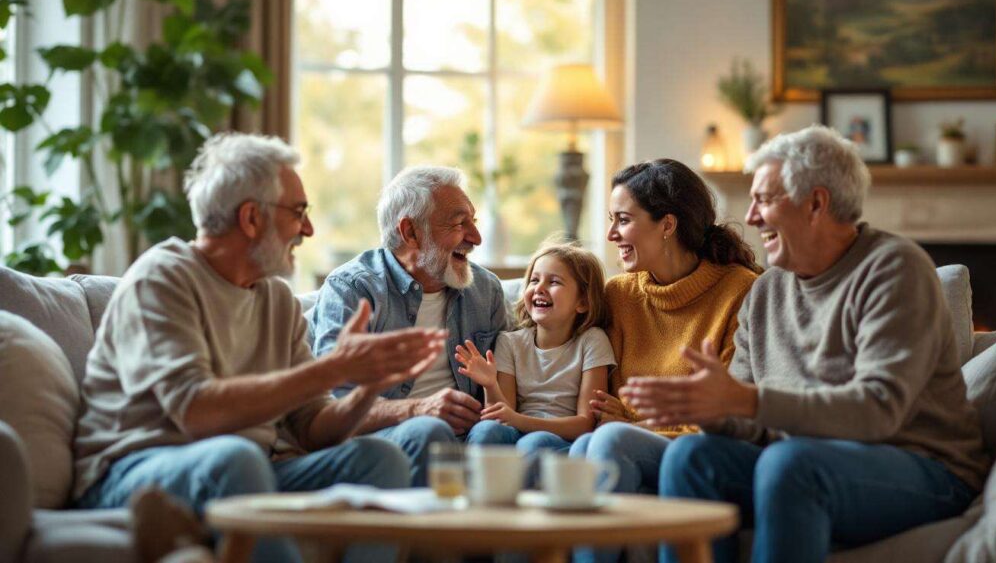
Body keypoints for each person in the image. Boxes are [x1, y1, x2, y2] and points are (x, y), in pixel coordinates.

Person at [620, 125, 990, 563]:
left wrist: (748, 402)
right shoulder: (765, 292)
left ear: (816, 203)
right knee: (691, 455)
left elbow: (878, 411)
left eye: (765, 199)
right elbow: (750, 424)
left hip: (922, 467)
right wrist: (711, 410)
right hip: (804, 460)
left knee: (790, 463)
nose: (752, 216)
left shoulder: (894, 269)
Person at [74, 133, 447, 563]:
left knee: (380, 459)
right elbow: (198, 412)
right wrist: (333, 368)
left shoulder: (276, 299)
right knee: (235, 458)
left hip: (250, 468)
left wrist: (369, 386)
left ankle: (189, 533)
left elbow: (311, 427)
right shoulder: (162, 278)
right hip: (133, 469)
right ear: (251, 218)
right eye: (298, 212)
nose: (307, 229)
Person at [567, 158, 760, 563]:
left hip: (700, 450)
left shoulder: (741, 291)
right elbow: (606, 402)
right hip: (633, 443)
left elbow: (724, 411)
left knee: (609, 440)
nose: (610, 233)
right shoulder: (619, 294)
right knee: (585, 443)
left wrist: (631, 423)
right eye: (611, 219)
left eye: (623, 219)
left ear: (667, 225)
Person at [306, 165, 511, 486]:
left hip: (468, 438)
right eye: (460, 223)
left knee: (497, 434)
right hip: (386, 439)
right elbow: (334, 406)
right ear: (410, 232)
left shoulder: (486, 290)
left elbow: (510, 384)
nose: (476, 237)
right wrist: (417, 409)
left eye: (474, 221)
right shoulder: (353, 288)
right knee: (428, 430)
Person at [458, 242, 614, 464]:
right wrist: (490, 384)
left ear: (583, 302)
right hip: (515, 430)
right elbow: (501, 415)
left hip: (561, 438)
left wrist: (520, 421)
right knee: (485, 431)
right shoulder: (509, 342)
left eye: (554, 282)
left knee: (534, 443)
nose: (539, 288)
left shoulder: (592, 341)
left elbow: (585, 424)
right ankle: (478, 495)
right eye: (534, 280)